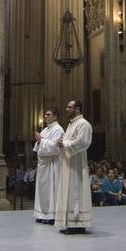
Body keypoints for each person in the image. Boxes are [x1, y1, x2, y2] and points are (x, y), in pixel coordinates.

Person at [55, 98, 93, 233]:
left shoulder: (83, 124)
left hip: (77, 164)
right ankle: (70, 223)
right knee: (69, 192)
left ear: (77, 109)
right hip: (68, 163)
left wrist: (64, 144)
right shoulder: (71, 124)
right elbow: (68, 141)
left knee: (76, 192)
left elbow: (83, 142)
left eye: (69, 107)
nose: (67, 109)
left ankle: (78, 224)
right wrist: (61, 142)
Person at [33, 108, 63, 224]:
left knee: (51, 190)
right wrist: (39, 141)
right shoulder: (45, 130)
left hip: (52, 164)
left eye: (48, 114)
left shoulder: (58, 129)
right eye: (45, 115)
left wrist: (41, 140)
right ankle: (42, 214)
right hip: (43, 165)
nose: (46, 116)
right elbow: (37, 147)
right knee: (42, 190)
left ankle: (51, 215)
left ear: (55, 117)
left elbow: (55, 148)